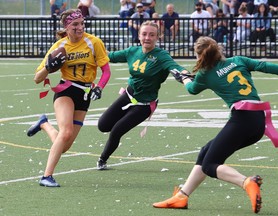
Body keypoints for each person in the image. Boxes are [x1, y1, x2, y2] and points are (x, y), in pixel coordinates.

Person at [153, 36, 278, 214]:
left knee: (210, 165)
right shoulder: (238, 60)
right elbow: (266, 66)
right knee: (206, 151)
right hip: (257, 121)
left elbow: (192, 89)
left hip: (242, 120)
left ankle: (247, 182)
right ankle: (182, 196)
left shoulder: (204, 75)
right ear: (219, 49)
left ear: (199, 56)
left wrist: (184, 78)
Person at [26, 9, 111, 187]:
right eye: (75, 25)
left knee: (64, 146)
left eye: (81, 23)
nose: (80, 27)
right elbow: (37, 78)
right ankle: (46, 176)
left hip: (85, 94)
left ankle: (44, 124)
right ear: (66, 27)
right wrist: (49, 67)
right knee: (65, 133)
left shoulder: (93, 42)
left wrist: (100, 88)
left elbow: (106, 71)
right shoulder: (59, 46)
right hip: (66, 90)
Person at [96, 21, 190, 170]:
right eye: (144, 34)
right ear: (139, 36)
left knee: (116, 131)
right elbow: (107, 57)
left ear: (158, 37)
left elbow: (177, 68)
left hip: (144, 105)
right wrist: (89, 52)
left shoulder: (161, 56)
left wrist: (185, 76)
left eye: (152, 35)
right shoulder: (132, 51)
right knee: (103, 126)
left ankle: (102, 160)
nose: (147, 37)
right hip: (127, 96)